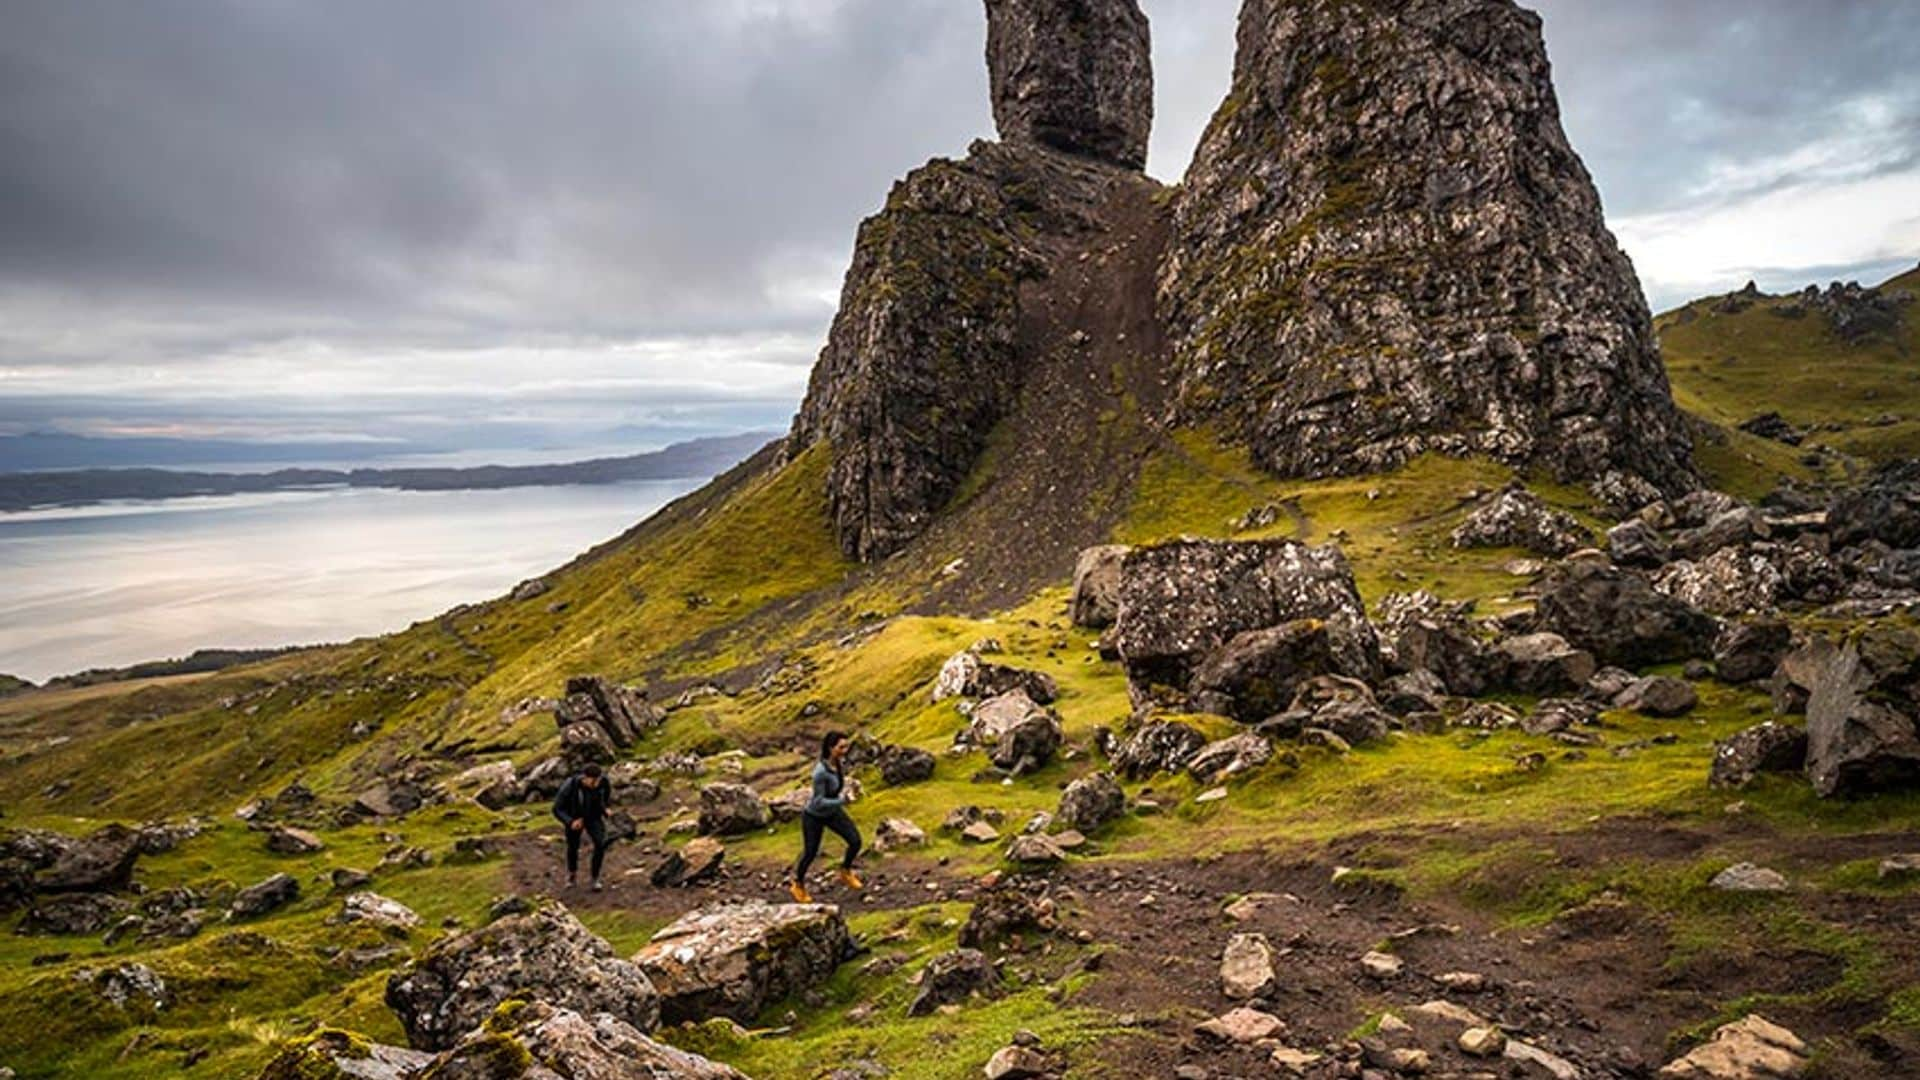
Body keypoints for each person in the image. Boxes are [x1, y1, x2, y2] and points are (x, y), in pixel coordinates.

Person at [787, 731, 863, 903]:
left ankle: (845, 870)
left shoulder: (837, 763)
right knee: (810, 852)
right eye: (841, 747)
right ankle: (797, 884)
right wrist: (842, 801)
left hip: (832, 813)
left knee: (855, 841)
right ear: (830, 748)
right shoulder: (820, 773)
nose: (845, 750)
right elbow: (819, 801)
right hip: (814, 815)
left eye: (846, 746)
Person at [552, 763, 613, 891]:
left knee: (600, 843)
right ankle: (572, 874)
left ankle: (595, 877)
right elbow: (557, 808)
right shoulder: (570, 787)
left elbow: (606, 792)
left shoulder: (603, 782)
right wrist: (570, 821)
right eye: (593, 781)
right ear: (585, 778)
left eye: (598, 781)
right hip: (575, 817)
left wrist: (605, 807)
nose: (596, 784)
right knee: (573, 846)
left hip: (593, 815)